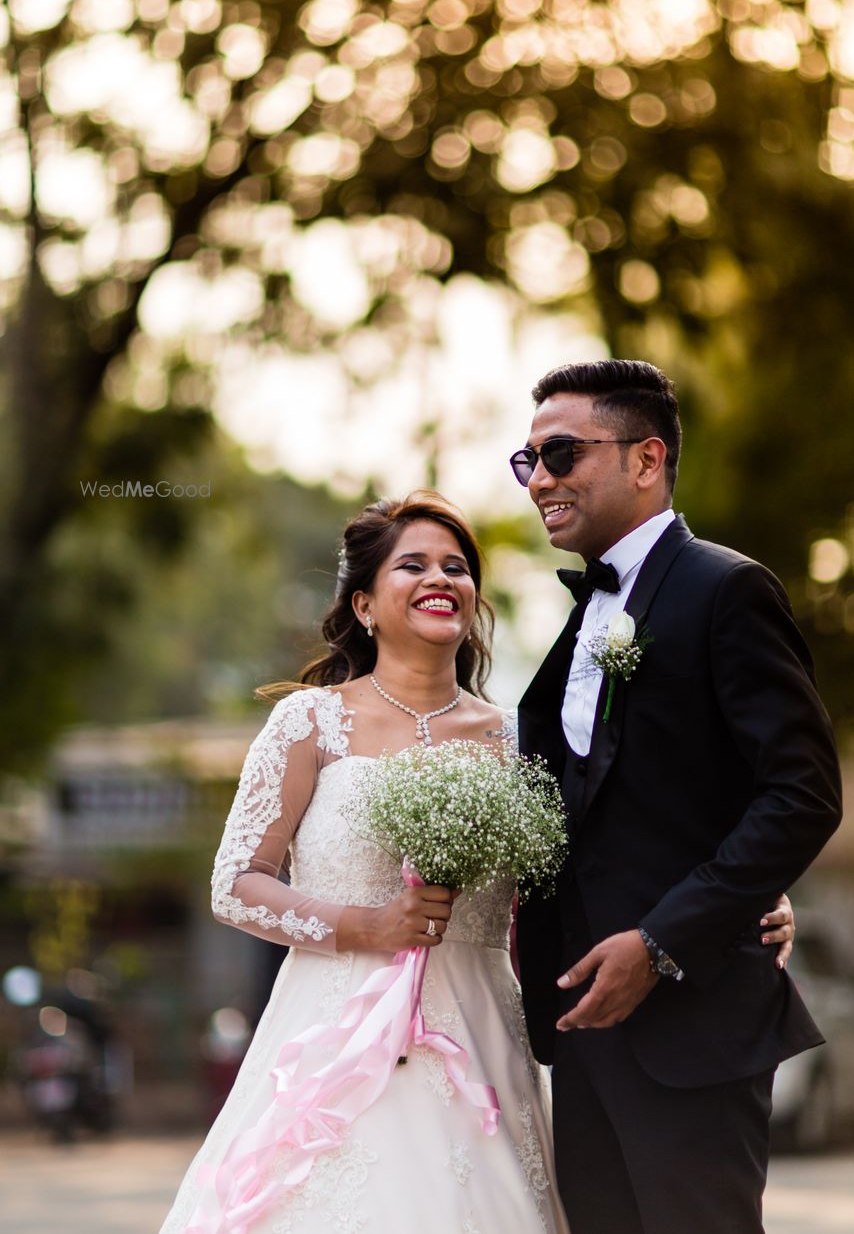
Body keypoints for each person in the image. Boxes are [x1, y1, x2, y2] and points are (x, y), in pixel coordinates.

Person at [160, 489, 796, 1234]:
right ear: (364, 605)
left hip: (479, 1027)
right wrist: (367, 926)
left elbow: (613, 852)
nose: (441, 579)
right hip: (333, 1027)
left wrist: (740, 895)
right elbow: (235, 887)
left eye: (457, 567)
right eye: (414, 565)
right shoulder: (309, 722)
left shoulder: (523, 739)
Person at [513, 360, 843, 1234]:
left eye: (560, 452)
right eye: (528, 460)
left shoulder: (727, 589)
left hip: (691, 1024)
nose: (540, 477)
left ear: (646, 459)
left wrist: (662, 942)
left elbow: (803, 793)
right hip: (583, 1030)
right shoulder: (580, 621)